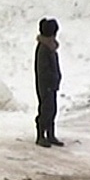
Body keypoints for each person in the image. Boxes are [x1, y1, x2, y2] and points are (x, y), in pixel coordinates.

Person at [34, 18, 64, 148]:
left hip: (51, 85)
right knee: (45, 109)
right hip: (45, 85)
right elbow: (43, 70)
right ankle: (41, 135)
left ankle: (50, 134)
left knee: (52, 109)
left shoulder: (49, 47)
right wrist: (50, 81)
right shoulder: (43, 49)